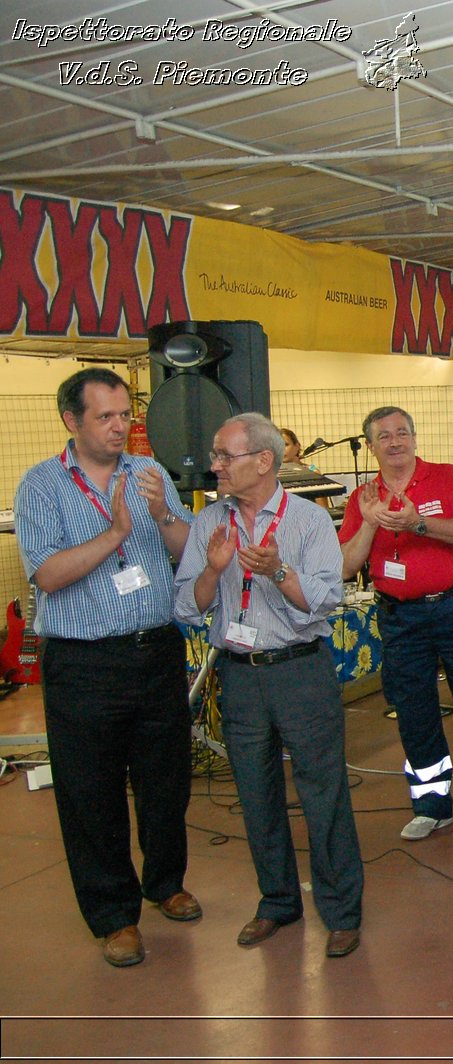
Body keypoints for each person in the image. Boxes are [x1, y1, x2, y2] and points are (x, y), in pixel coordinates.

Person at [16, 367, 198, 968]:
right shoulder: (41, 486)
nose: (121, 427)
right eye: (106, 417)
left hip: (155, 650)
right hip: (84, 662)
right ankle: (113, 916)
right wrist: (117, 531)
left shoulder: (149, 476)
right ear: (72, 420)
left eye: (126, 415)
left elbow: (188, 554)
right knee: (90, 792)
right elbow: (45, 573)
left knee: (165, 779)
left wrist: (165, 518)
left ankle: (165, 882)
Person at [174, 413, 363, 958]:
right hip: (239, 675)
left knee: (323, 793)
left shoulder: (307, 521)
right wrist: (212, 571)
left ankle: (342, 910)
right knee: (255, 795)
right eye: (215, 455)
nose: (214, 465)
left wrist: (279, 572)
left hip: (301, 671)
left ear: (262, 461)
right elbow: (186, 605)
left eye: (224, 455)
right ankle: (278, 901)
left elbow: (327, 602)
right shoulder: (211, 521)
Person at [338, 406, 453, 840]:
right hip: (401, 617)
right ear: (373, 446)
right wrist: (372, 523)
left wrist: (417, 523)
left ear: (415, 439)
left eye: (402, 433)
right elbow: (345, 565)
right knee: (413, 709)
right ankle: (430, 805)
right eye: (384, 436)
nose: (395, 442)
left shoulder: (446, 477)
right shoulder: (365, 496)